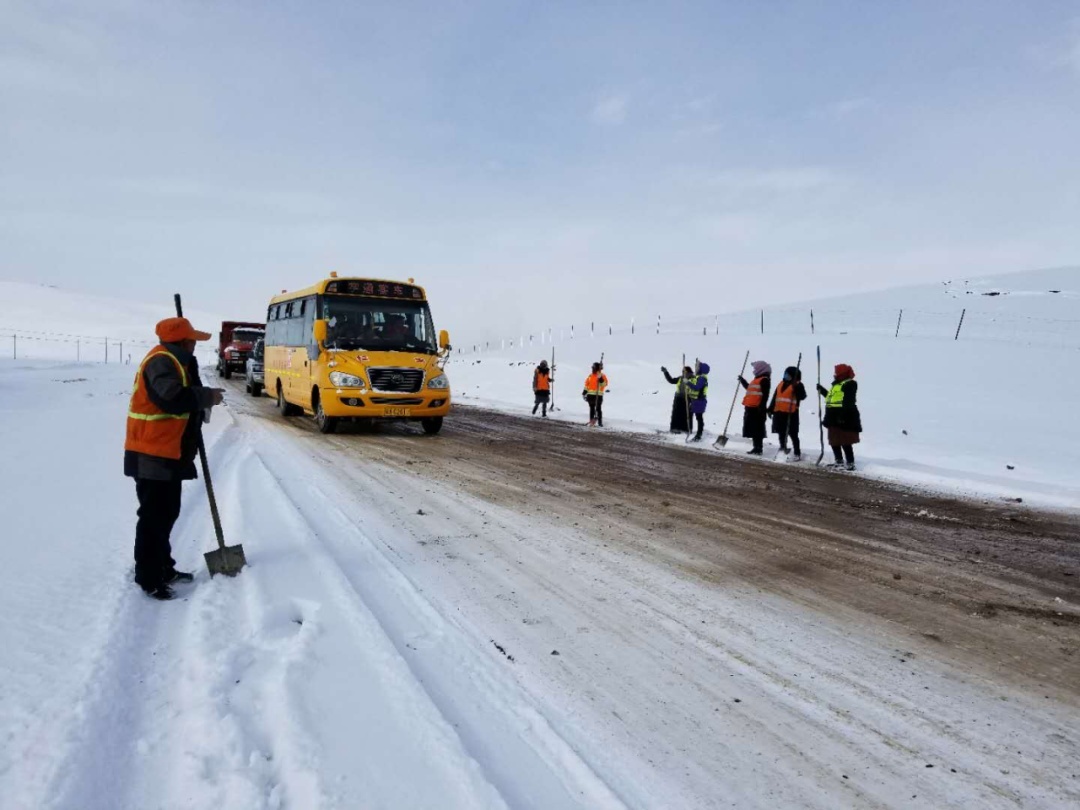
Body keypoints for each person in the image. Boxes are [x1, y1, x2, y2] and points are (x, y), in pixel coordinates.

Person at [124, 317, 225, 600]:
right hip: (151, 454)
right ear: (182, 342)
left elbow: (179, 399)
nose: (195, 345)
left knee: (166, 514)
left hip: (165, 453)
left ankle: (163, 568)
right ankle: (149, 578)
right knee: (154, 518)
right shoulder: (162, 361)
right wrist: (207, 396)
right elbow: (170, 398)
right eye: (192, 340)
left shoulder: (176, 362)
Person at [817, 363, 862, 470]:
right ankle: (839, 460)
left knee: (845, 440)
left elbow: (848, 401)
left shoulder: (850, 384)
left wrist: (843, 415)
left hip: (845, 416)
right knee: (834, 440)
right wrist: (821, 390)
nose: (835, 374)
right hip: (832, 416)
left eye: (837, 373)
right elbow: (830, 398)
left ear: (843, 374)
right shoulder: (836, 385)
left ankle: (850, 462)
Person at [768, 366, 808, 459]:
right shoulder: (781, 384)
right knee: (781, 432)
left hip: (791, 413)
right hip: (779, 412)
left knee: (793, 434)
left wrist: (796, 388)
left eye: (788, 375)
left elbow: (802, 396)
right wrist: (770, 409)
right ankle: (783, 447)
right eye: (785, 374)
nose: (786, 376)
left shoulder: (798, 385)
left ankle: (797, 452)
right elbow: (775, 397)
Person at [738, 360, 771, 455]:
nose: (754, 369)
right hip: (751, 408)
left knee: (757, 429)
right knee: (753, 429)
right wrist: (742, 381)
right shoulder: (757, 379)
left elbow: (765, 395)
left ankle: (758, 448)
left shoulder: (764, 380)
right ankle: (755, 447)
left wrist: (762, 406)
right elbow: (749, 388)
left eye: (755, 368)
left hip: (757, 409)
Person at [660, 365, 692, 433]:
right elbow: (671, 380)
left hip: (686, 398)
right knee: (676, 414)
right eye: (683, 371)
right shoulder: (680, 378)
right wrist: (666, 372)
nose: (683, 373)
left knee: (685, 414)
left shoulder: (692, 379)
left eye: (685, 371)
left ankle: (684, 429)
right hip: (678, 398)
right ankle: (674, 428)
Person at [685, 362, 710, 441]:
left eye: (698, 367)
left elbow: (697, 388)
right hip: (695, 400)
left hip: (699, 400)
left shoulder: (702, 378)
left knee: (699, 417)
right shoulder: (699, 377)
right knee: (691, 415)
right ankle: (690, 430)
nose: (696, 368)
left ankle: (699, 435)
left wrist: (688, 383)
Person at [582, 361, 608, 427]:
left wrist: (601, 379)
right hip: (590, 396)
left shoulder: (602, 376)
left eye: (593, 368)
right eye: (592, 368)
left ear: (596, 368)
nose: (592, 369)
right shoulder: (590, 376)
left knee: (598, 409)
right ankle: (591, 420)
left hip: (598, 396)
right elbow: (587, 384)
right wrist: (584, 391)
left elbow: (604, 384)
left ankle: (600, 422)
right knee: (591, 409)